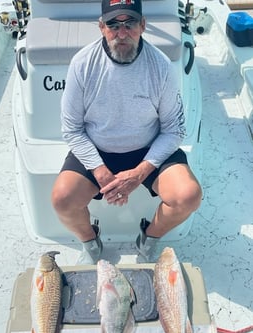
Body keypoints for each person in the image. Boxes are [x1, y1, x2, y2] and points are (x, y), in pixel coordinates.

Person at [51, 0, 202, 264]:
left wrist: (140, 171)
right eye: (113, 24)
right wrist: (100, 170)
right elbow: (72, 130)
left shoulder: (162, 66)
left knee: (188, 196)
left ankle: (148, 239)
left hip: (148, 149)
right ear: (101, 27)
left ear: (143, 25)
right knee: (62, 199)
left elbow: (174, 129)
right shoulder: (82, 64)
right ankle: (90, 242)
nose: (122, 33)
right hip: (97, 150)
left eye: (130, 23)